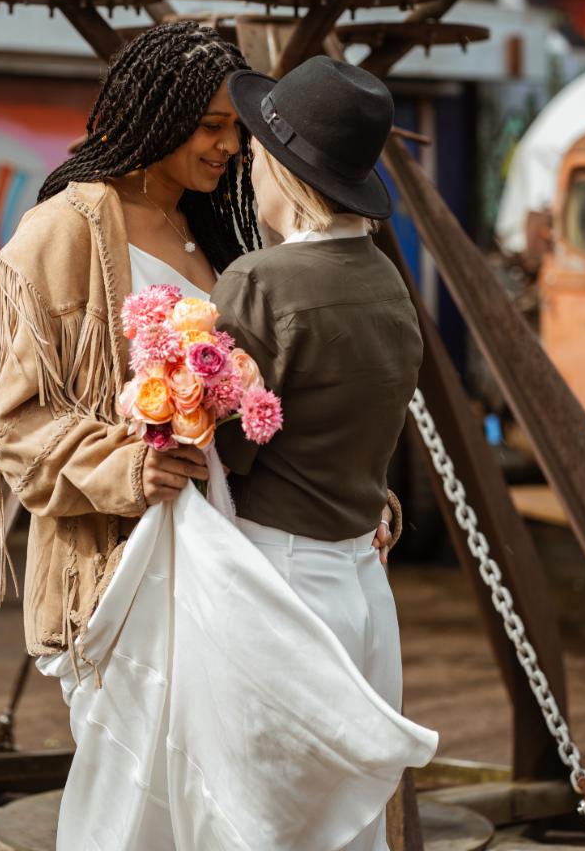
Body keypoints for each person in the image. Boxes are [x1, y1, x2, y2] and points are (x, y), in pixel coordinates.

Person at [0, 22, 417, 849]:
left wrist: (355, 487)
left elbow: (279, 396)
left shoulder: (224, 229)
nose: (228, 145)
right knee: (143, 802)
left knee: (219, 811)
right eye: (210, 124)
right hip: (122, 570)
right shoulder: (63, 233)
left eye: (235, 129)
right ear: (155, 114)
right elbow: (11, 422)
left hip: (233, 578)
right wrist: (127, 466)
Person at [210, 55, 424, 851]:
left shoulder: (259, 282)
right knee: (348, 828)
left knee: (261, 819)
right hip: (365, 590)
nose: (247, 170)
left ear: (286, 173)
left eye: (255, 158)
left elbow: (226, 452)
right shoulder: (386, 281)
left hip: (281, 582)